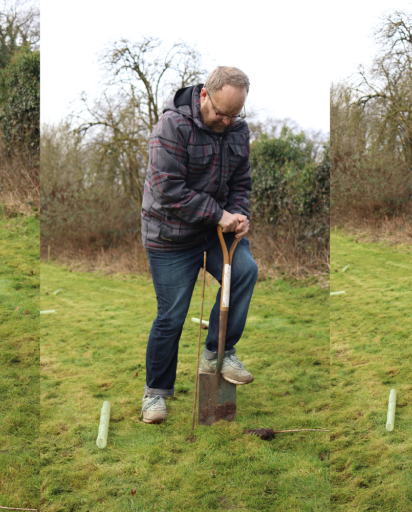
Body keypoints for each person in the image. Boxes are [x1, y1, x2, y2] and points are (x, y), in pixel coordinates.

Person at [139, 66, 258, 423]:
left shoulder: (237, 129)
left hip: (214, 229)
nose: (225, 121)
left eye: (234, 114)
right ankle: (155, 395)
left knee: (245, 271)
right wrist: (217, 213)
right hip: (169, 235)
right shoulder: (172, 126)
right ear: (205, 95)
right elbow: (167, 191)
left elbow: (241, 181)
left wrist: (237, 214)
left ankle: (218, 352)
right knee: (172, 316)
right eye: (220, 112)